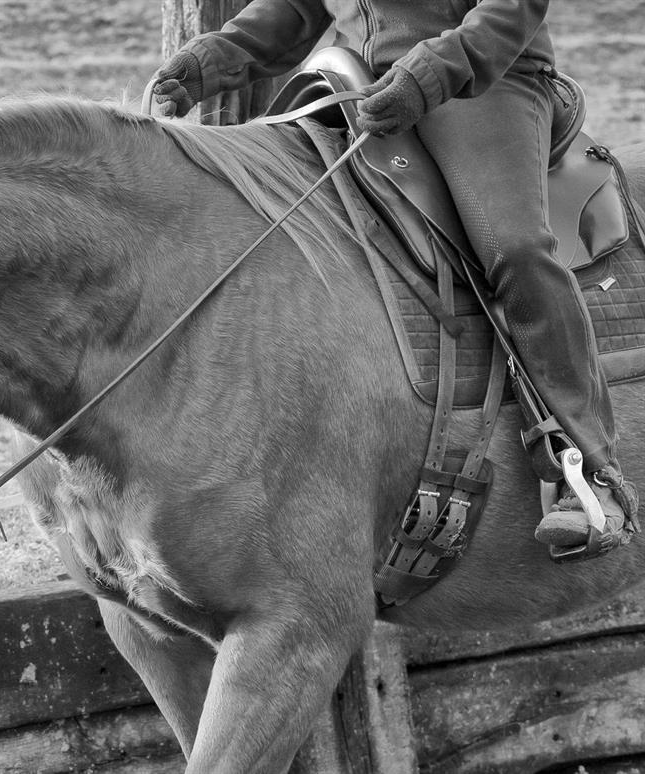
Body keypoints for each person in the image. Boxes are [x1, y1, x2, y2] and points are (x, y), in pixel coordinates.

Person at [150, 0, 638, 557]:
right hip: (357, 84)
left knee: (516, 250)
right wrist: (214, 56)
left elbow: (512, 9)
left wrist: (428, 73)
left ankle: (595, 473)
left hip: (480, 84)